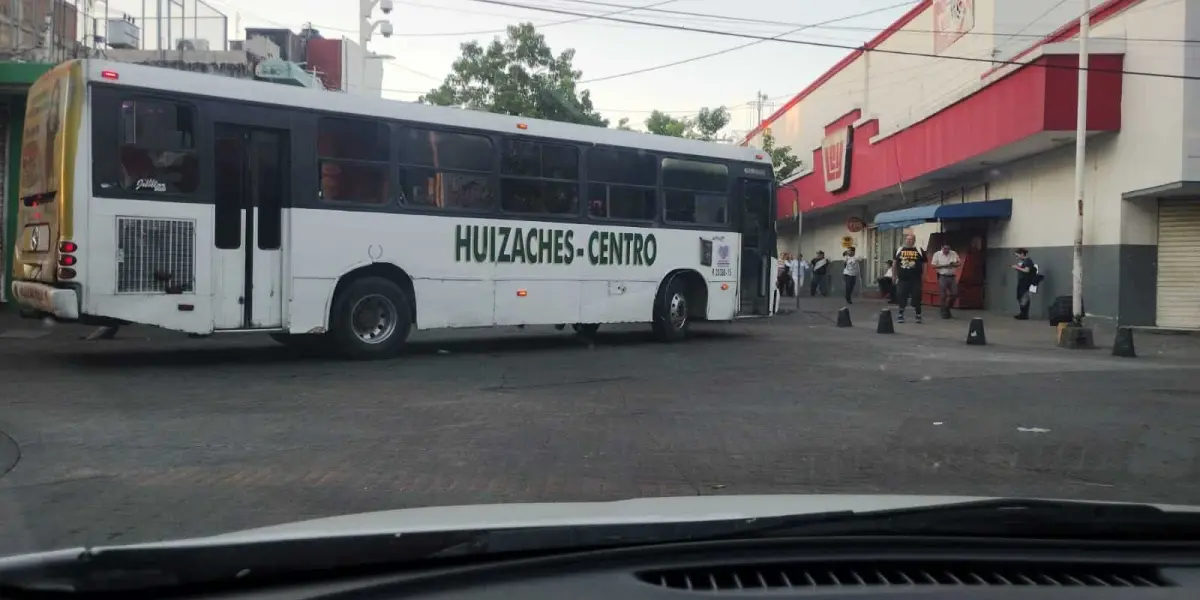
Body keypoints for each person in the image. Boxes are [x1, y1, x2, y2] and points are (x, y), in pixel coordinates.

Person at [893, 233, 926, 323]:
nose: (909, 241)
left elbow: (924, 264)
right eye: (908, 239)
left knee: (917, 296)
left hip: (916, 279)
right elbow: (895, 263)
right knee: (901, 295)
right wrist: (894, 275)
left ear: (914, 240)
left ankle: (918, 315)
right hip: (903, 279)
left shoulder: (919, 250)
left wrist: (924, 276)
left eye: (911, 239)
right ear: (905, 240)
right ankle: (900, 315)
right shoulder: (899, 249)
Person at [930, 242, 961, 319]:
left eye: (948, 249)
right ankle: (943, 311)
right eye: (945, 249)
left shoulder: (953, 253)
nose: (946, 250)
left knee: (955, 293)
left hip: (952, 276)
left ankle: (948, 308)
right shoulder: (937, 254)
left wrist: (954, 264)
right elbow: (933, 266)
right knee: (943, 295)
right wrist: (945, 265)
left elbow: (959, 263)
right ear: (942, 247)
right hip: (942, 276)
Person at [1012, 248, 1037, 320]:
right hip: (1023, 281)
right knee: (1020, 297)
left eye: (1018, 255)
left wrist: (1017, 267)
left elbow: (1027, 270)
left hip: (1025, 282)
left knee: (1023, 297)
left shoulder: (1028, 261)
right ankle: (1022, 313)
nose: (1017, 257)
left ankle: (1024, 314)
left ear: (1022, 254)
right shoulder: (1024, 261)